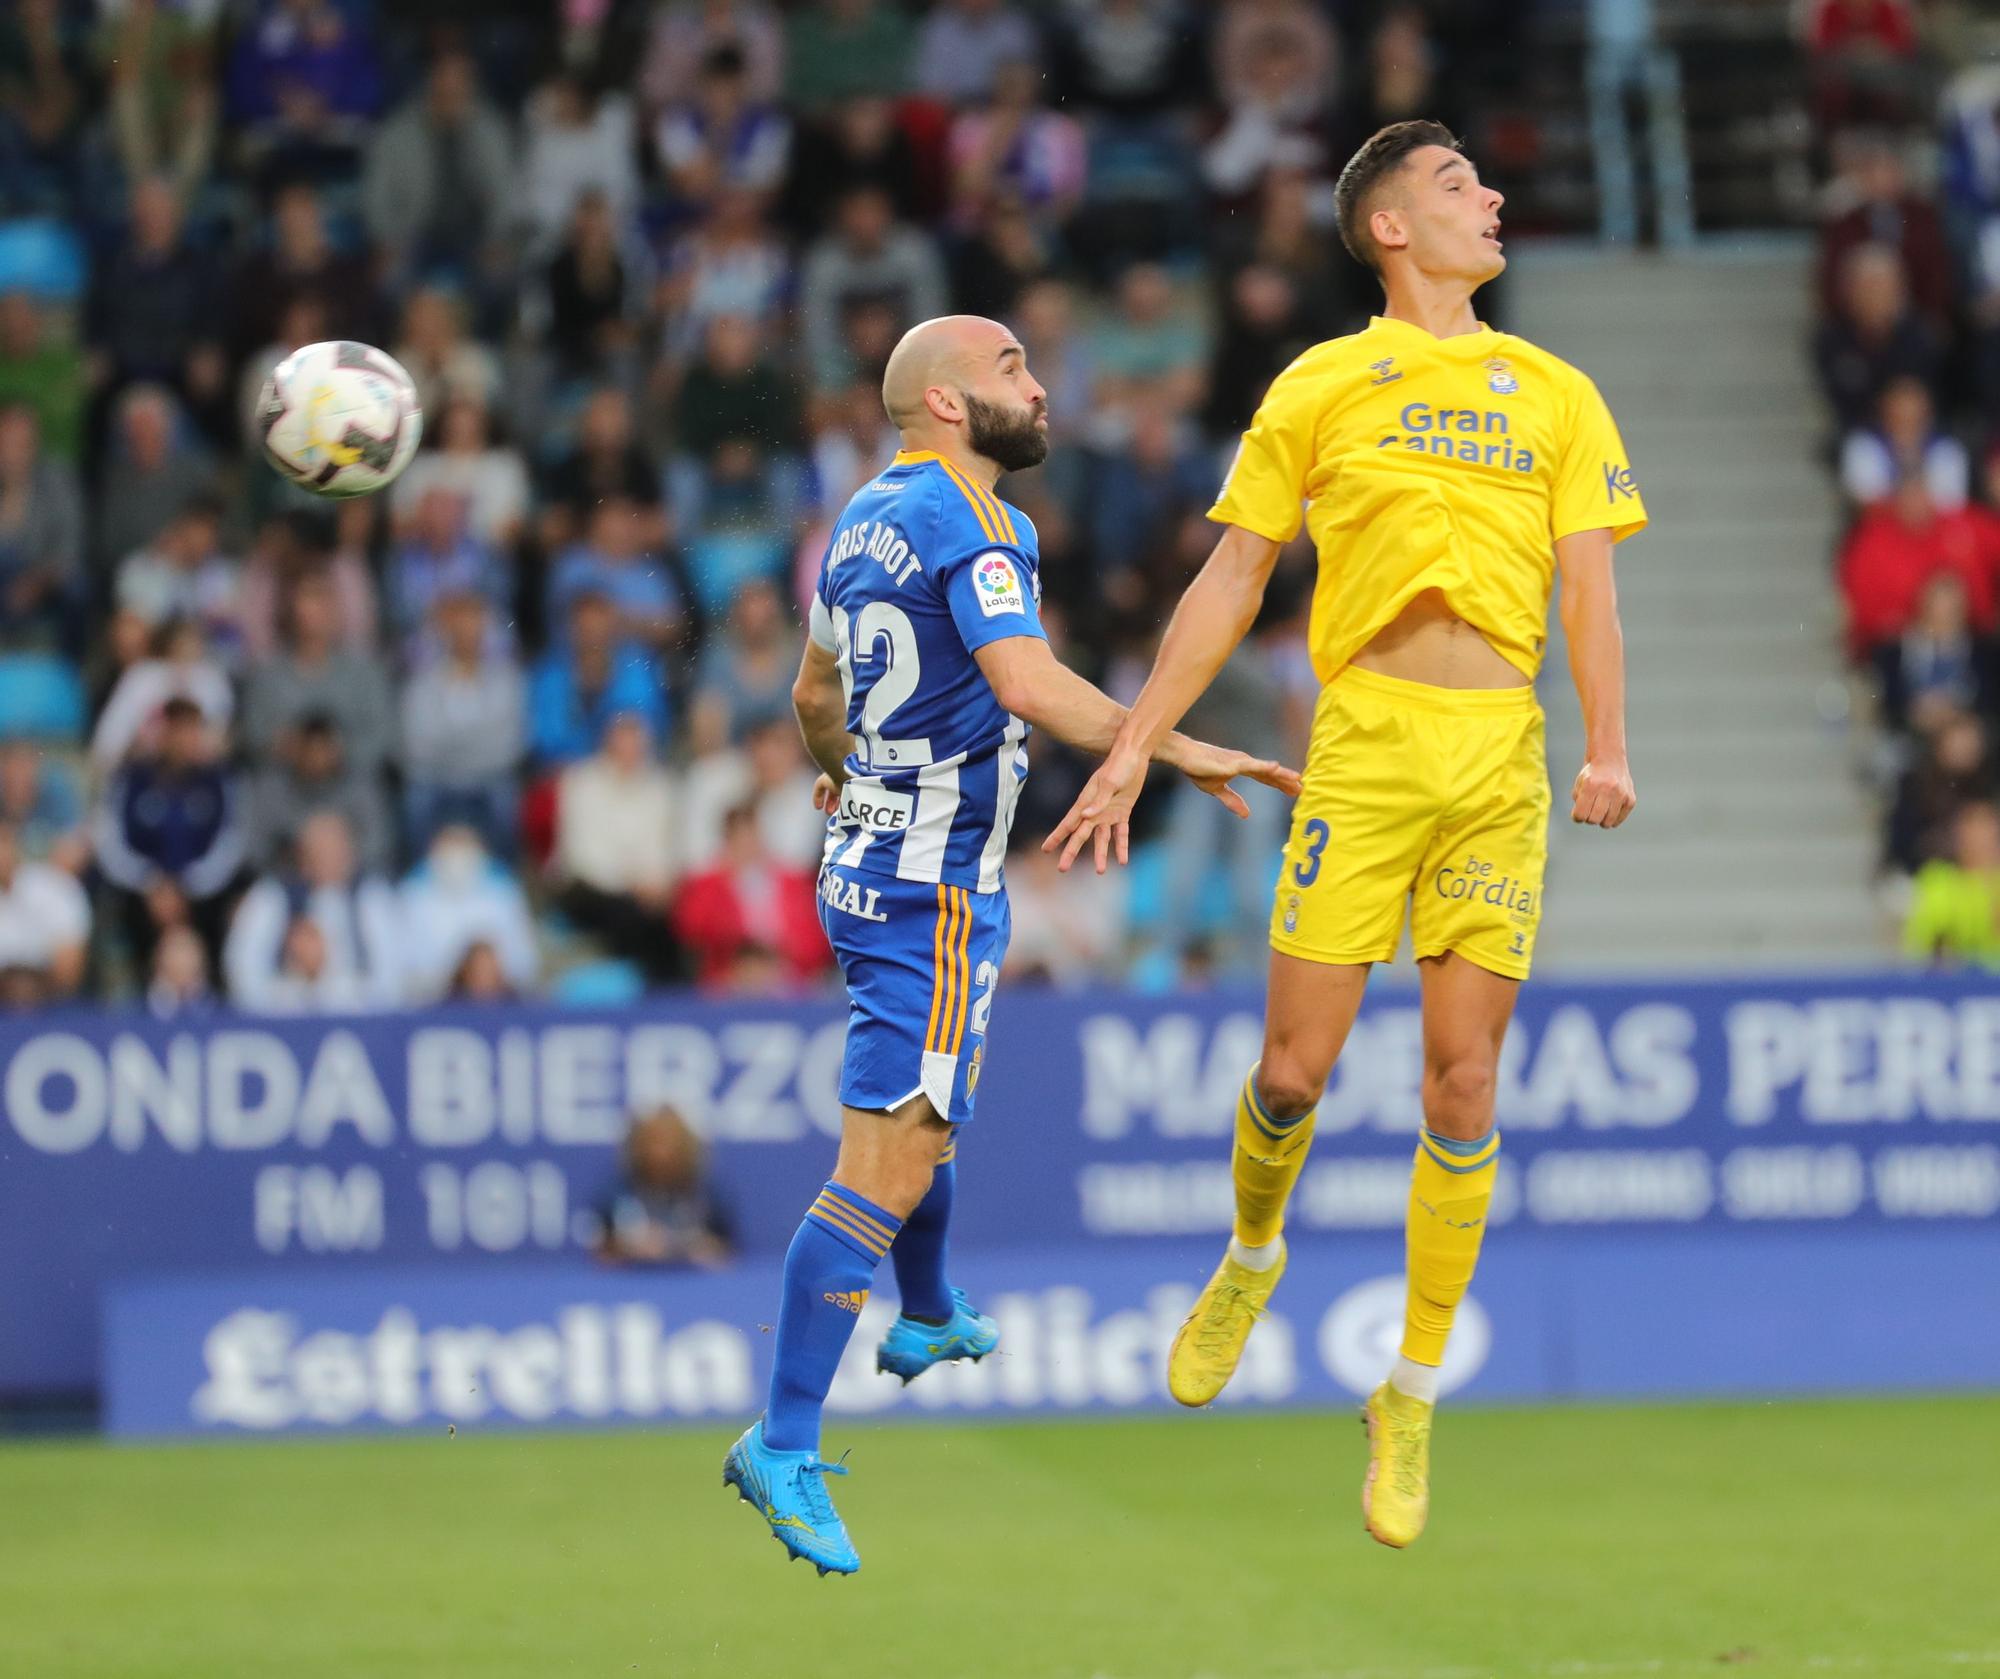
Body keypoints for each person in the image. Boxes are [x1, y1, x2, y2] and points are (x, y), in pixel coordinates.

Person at [1046, 122, 1648, 1549]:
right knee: (1290, 1068)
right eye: (1457, 186)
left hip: (1498, 753)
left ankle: (1413, 1388)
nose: (1491, 197)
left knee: (1462, 1082)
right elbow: (1234, 573)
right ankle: (1254, 1250)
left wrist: (1610, 740)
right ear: (1388, 226)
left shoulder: (1556, 391)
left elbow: (1590, 589)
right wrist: (1135, 735)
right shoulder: (1322, 383)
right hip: (1366, 746)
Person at [721, 312, 1295, 1574]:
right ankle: (784, 1437)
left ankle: (924, 1312)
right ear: (941, 400)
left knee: (926, 1126)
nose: (1038, 386)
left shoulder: (861, 519)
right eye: (1010, 368)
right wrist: (1168, 743)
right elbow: (1028, 682)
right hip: (924, 884)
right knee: (880, 1167)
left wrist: (844, 777)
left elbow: (816, 696)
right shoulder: (976, 525)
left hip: (886, 861)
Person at [593, 1105, 736, 1267]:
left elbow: (727, 1248)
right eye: (653, 1141)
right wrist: (628, 1245)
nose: (660, 1152)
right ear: (638, 1145)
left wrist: (691, 1246)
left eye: (669, 1142)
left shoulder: (705, 1194)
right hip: (632, 1283)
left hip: (690, 1284)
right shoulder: (618, 1192)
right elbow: (599, 1247)